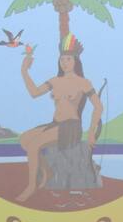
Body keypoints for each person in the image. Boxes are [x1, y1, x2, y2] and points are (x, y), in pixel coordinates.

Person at [17, 32, 103, 201]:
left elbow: (98, 107)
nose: (64, 63)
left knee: (33, 146)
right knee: (24, 139)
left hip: (70, 127)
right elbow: (34, 93)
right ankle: (47, 171)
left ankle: (31, 186)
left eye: (68, 59)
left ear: (76, 61)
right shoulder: (55, 80)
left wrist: (91, 132)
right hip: (55, 124)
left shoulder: (83, 82)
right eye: (62, 59)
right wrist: (24, 71)